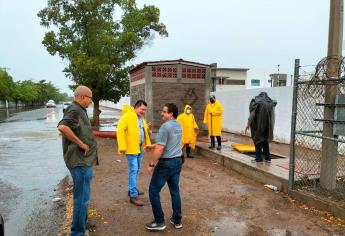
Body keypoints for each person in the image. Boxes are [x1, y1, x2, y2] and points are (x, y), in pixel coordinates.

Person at [57, 85, 98, 236]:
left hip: (84, 160)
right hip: (79, 161)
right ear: (81, 97)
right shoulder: (74, 110)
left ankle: (81, 224)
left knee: (84, 197)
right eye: (90, 98)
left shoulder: (80, 110)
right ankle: (77, 233)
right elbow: (62, 127)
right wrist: (81, 143)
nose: (91, 101)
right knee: (82, 199)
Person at [146, 103, 183, 231]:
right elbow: (169, 142)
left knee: (153, 191)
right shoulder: (178, 125)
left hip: (166, 164)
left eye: (164, 111)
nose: (161, 113)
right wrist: (152, 146)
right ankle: (177, 220)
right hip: (177, 161)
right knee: (175, 190)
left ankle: (159, 221)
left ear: (171, 114)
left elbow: (161, 148)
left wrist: (151, 164)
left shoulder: (165, 127)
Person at [117, 100, 152, 206]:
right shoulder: (127, 116)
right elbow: (119, 130)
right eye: (142, 109)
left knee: (136, 170)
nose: (144, 111)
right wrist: (122, 146)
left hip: (139, 148)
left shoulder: (140, 118)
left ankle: (133, 189)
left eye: (145, 110)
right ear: (136, 107)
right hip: (131, 149)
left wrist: (148, 131)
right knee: (133, 170)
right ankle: (133, 196)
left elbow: (143, 131)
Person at [245, 92, 277, 163]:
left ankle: (259, 159)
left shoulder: (257, 102)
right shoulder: (269, 103)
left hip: (258, 127)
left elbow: (252, 114)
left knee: (258, 142)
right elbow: (275, 103)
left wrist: (248, 123)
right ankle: (268, 158)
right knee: (265, 141)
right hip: (267, 127)